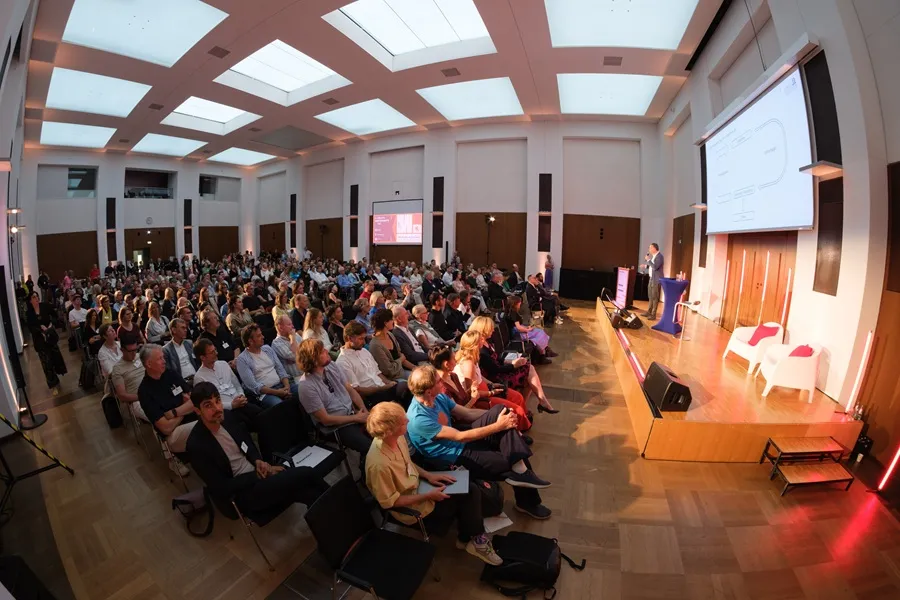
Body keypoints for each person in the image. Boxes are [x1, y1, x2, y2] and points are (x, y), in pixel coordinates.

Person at [364, 401, 503, 565]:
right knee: (469, 495)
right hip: (413, 506)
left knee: (467, 486)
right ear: (389, 431)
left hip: (421, 486)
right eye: (403, 421)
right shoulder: (378, 465)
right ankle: (475, 540)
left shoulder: (397, 438)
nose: (408, 421)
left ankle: (468, 538)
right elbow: (390, 502)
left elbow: (408, 463)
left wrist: (429, 476)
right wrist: (428, 495)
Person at [405, 366, 552, 520]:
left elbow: (467, 413)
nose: (442, 381)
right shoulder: (418, 419)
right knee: (512, 457)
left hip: (461, 441)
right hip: (452, 457)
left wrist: (500, 416)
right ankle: (525, 494)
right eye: (438, 381)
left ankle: (523, 481)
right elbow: (460, 437)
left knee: (503, 418)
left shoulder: (438, 397)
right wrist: (499, 425)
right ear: (429, 391)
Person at [186, 382, 329, 521]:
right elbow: (221, 487)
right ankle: (346, 503)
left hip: (258, 475)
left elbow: (246, 441)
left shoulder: (227, 417)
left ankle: (335, 529)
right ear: (197, 411)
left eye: (218, 401)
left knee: (309, 493)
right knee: (306, 473)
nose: (217, 408)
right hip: (242, 493)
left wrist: (257, 460)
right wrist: (258, 475)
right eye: (208, 405)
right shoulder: (196, 445)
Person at [296, 339, 372, 470]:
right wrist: (356, 418)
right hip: (336, 426)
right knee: (369, 446)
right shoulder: (306, 386)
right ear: (313, 360)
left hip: (352, 413)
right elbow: (326, 420)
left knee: (384, 430)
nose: (327, 351)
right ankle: (368, 474)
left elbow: (350, 390)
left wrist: (364, 411)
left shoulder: (331, 366)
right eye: (322, 352)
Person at [469, 316, 557, 414]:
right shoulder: (481, 350)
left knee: (528, 370)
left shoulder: (486, 342)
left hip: (498, 371)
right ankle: (538, 403)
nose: (493, 330)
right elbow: (495, 369)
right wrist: (513, 365)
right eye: (490, 328)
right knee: (529, 372)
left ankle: (531, 405)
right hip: (495, 378)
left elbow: (496, 359)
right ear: (483, 330)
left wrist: (511, 361)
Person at [448, 334, 533, 433]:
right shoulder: (468, 363)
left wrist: (492, 384)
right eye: (480, 341)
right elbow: (472, 392)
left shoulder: (472, 358)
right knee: (516, 409)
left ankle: (522, 422)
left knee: (517, 397)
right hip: (482, 398)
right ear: (475, 345)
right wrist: (492, 392)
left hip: (486, 389)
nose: (483, 342)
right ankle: (520, 430)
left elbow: (479, 377)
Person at [137, 344, 197, 475]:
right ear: (149, 364)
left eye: (163, 357)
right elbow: (166, 428)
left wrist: (174, 413)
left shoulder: (171, 374)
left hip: (190, 419)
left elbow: (193, 400)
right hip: (174, 434)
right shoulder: (145, 391)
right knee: (206, 427)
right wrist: (184, 409)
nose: (164, 361)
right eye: (159, 359)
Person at [192, 338, 262, 430]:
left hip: (240, 402)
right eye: (211, 352)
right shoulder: (199, 378)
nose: (216, 353)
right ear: (202, 357)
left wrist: (241, 395)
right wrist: (232, 405)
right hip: (226, 411)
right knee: (245, 424)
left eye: (215, 350)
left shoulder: (223, 364)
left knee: (262, 415)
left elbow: (237, 384)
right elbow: (209, 404)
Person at [336, 321, 410, 408]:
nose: (364, 342)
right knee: (404, 387)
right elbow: (357, 390)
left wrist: (389, 383)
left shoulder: (364, 351)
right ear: (350, 338)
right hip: (371, 396)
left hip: (382, 387)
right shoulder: (343, 362)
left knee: (409, 386)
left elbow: (378, 373)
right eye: (361, 339)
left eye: (364, 338)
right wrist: (383, 388)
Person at [235, 323, 297, 408]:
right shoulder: (242, 360)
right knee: (280, 406)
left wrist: (287, 387)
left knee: (303, 390)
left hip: (282, 385)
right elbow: (254, 387)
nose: (263, 337)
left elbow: (280, 369)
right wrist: (278, 392)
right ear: (250, 341)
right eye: (259, 336)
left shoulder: (267, 349)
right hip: (266, 393)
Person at [25, 291, 67, 392]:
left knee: (55, 358)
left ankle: (57, 374)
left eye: (37, 297)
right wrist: (40, 329)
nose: (36, 299)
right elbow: (30, 328)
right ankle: (53, 384)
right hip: (40, 341)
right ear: (30, 300)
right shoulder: (29, 313)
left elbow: (55, 315)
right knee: (46, 363)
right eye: (34, 297)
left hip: (50, 337)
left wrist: (51, 324)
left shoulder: (45, 306)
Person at [368, 308, 415, 382]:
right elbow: (388, 370)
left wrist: (415, 368)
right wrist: (401, 359)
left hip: (402, 372)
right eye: (391, 320)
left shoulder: (390, 335)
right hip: (392, 379)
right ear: (385, 323)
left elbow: (400, 356)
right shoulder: (375, 345)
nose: (393, 322)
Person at [505, 296, 556, 361]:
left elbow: (516, 326)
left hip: (516, 331)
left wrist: (526, 327)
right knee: (540, 333)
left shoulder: (509, 312)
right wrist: (527, 329)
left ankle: (545, 350)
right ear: (516, 304)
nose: (520, 305)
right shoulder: (513, 313)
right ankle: (543, 353)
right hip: (518, 334)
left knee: (539, 331)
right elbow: (518, 328)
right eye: (519, 303)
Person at [110, 340, 148, 422]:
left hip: (154, 391)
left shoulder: (141, 357)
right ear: (122, 350)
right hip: (137, 400)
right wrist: (144, 397)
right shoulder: (117, 369)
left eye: (135, 350)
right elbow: (122, 396)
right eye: (130, 351)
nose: (134, 353)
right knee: (158, 415)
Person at [162, 319, 198, 384]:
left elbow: (196, 361)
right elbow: (169, 372)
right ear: (174, 330)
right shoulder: (166, 350)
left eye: (186, 328)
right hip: (182, 382)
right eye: (182, 328)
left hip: (196, 378)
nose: (186, 330)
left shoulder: (189, 343)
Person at [271, 314, 302, 378]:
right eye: (289, 324)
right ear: (280, 327)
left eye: (292, 324)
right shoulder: (276, 343)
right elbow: (294, 356)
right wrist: (293, 338)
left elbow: (308, 351)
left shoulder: (296, 335)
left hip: (307, 372)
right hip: (294, 379)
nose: (293, 326)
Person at [642, 242, 664, 320]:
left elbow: (655, 267)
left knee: (655, 297)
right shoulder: (654, 256)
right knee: (650, 296)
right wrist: (646, 266)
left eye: (650, 248)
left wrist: (648, 260)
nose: (649, 249)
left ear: (654, 248)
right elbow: (652, 267)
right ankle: (649, 312)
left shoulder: (660, 256)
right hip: (651, 278)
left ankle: (653, 314)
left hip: (656, 280)